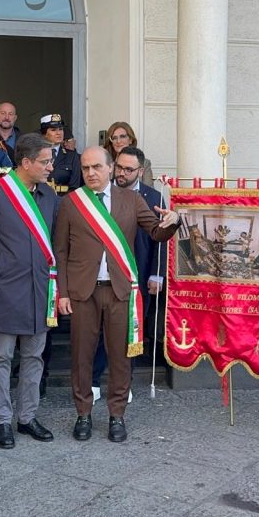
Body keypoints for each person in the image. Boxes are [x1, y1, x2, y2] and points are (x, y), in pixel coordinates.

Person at [54, 146, 180, 443]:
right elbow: (60, 251)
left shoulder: (131, 199)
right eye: (85, 168)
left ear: (111, 168)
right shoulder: (72, 202)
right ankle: (83, 413)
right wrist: (62, 292)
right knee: (82, 356)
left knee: (121, 357)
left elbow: (156, 233)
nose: (91, 173)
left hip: (120, 291)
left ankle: (116, 415)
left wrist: (172, 221)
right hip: (83, 292)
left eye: (97, 167)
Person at [0, 134, 59, 449]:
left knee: (34, 357)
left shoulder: (48, 196)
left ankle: (27, 416)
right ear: (26, 162)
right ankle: (2, 419)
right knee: (1, 357)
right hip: (5, 290)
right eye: (45, 161)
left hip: (40, 290)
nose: (50, 166)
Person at [91, 147, 166, 402]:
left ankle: (124, 383)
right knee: (100, 332)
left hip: (138, 276)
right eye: (119, 167)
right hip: (103, 277)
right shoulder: (100, 194)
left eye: (128, 169)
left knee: (131, 332)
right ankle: (94, 381)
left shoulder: (153, 197)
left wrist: (157, 275)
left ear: (140, 171)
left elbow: (161, 240)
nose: (121, 173)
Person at [104, 121, 153, 187]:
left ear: (130, 140)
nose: (118, 141)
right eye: (114, 138)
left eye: (122, 136)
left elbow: (149, 192)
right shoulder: (105, 163)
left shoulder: (145, 163)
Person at [41, 113, 81, 195]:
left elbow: (75, 186)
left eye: (60, 129)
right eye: (53, 130)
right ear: (44, 134)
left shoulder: (72, 156)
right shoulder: (36, 154)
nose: (58, 133)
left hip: (64, 201)